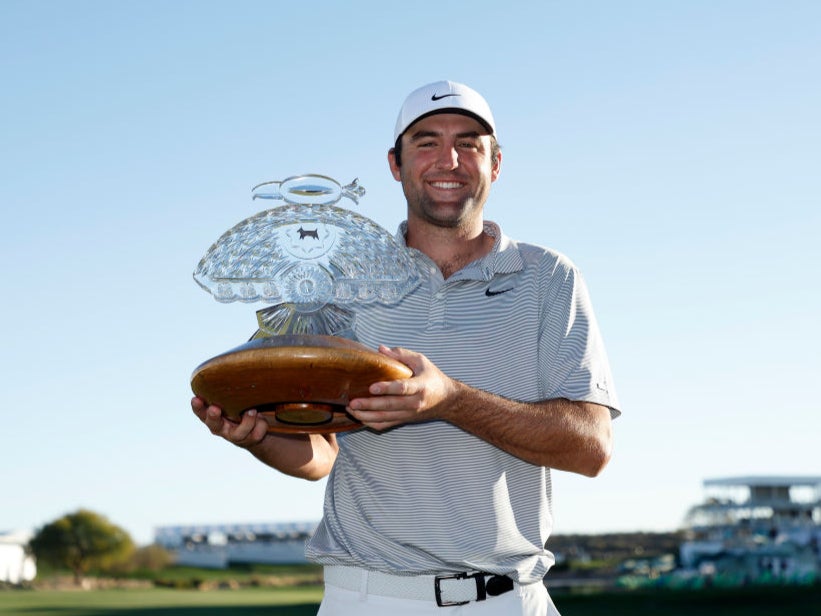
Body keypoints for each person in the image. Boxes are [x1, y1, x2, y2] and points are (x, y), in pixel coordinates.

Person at [192, 80, 621, 615]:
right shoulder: (337, 284)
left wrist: (451, 399)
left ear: (496, 164)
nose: (450, 158)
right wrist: (255, 437)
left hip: (510, 600)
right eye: (426, 142)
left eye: (470, 143)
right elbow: (320, 455)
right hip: (369, 597)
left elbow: (591, 447)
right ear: (395, 164)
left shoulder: (548, 277)